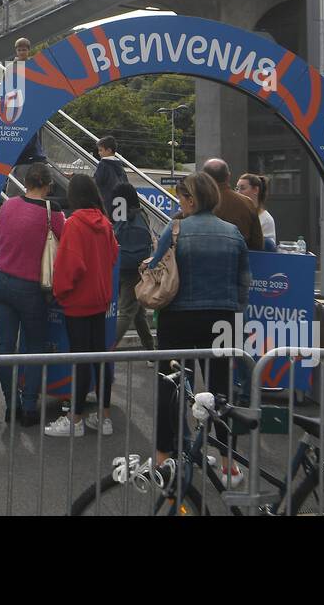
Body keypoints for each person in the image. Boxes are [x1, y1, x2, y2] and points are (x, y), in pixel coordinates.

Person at [143, 172, 250, 484]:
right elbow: (244, 281)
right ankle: (230, 465)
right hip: (223, 318)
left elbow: (155, 267)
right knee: (222, 390)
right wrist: (233, 308)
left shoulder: (176, 228)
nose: (180, 202)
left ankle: (164, 457)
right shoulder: (232, 232)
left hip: (179, 318)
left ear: (191, 199)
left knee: (172, 385)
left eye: (181, 197)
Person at [0, 162, 65, 426]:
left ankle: (12, 405)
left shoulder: (8, 205)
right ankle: (30, 405)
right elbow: (64, 246)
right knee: (34, 346)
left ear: (27, 182)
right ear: (48, 185)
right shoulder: (52, 212)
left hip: (1, 283)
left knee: (6, 346)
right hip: (31, 288)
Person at [45, 174, 119, 438]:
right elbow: (113, 255)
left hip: (77, 302)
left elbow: (69, 266)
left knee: (79, 359)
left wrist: (59, 292)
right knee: (100, 360)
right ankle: (105, 417)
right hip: (100, 301)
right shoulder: (106, 224)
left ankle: (74, 420)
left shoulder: (75, 224)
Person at [111, 182, 154, 353]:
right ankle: (108, 349)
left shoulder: (119, 214)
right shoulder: (141, 215)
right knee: (130, 311)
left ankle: (150, 349)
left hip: (119, 267)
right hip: (135, 269)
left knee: (136, 312)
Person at [200, 158, 264, 251]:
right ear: (228, 176)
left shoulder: (195, 203)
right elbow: (257, 244)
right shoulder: (247, 203)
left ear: (204, 178)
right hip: (237, 261)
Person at [8, 38, 48, 167]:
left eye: (24, 50)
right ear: (16, 51)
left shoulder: (33, 64)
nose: (22, 52)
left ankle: (35, 153)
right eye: (19, 50)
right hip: (16, 99)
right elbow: (7, 83)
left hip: (30, 100)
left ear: (28, 50)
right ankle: (22, 153)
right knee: (19, 127)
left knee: (31, 126)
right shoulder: (11, 66)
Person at [237, 172, 277, 251]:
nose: (238, 192)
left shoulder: (266, 219)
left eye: (243, 188)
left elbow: (267, 248)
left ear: (255, 190)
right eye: (237, 188)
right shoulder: (236, 213)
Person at [93, 136, 129, 216]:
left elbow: (96, 182)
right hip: (121, 205)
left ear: (109, 150)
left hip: (108, 204)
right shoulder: (120, 166)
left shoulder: (103, 164)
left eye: (101, 150)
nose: (99, 153)